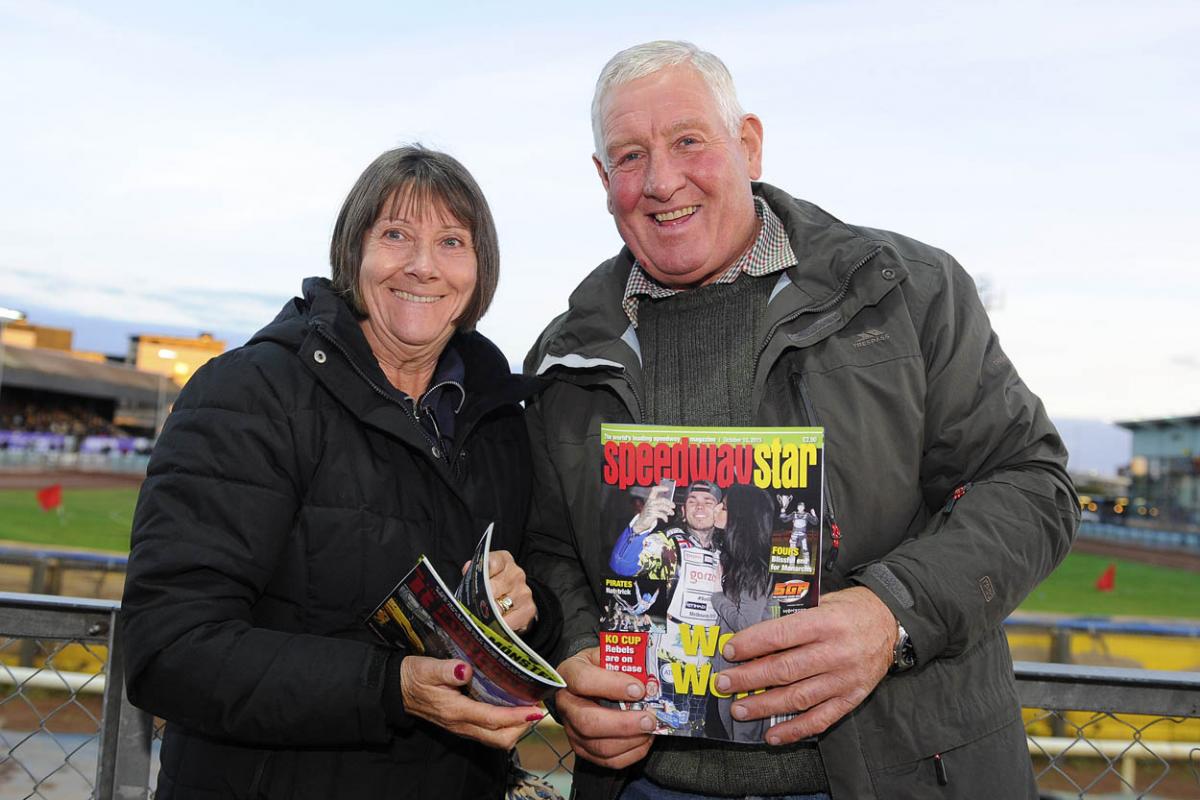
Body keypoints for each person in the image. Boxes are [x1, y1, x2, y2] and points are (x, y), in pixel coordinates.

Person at [522, 40, 1078, 799]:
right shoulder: (565, 358)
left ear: (747, 144)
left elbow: (1032, 486)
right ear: (602, 179)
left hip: (895, 776)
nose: (661, 181)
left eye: (689, 140)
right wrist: (580, 656)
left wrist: (893, 612)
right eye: (628, 156)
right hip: (654, 785)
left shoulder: (906, 293)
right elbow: (551, 550)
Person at [120, 145, 561, 799]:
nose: (421, 265)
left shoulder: (499, 421)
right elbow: (169, 650)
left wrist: (527, 615)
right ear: (353, 253)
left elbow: (527, 605)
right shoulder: (252, 392)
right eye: (395, 235)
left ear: (479, 270)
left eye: (451, 241)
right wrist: (393, 688)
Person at [710, 484, 779, 743]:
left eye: (724, 507)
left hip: (747, 673)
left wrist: (717, 597)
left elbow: (747, 626)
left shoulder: (754, 568)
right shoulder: (737, 559)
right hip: (729, 669)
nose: (716, 508)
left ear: (741, 518)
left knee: (743, 736)